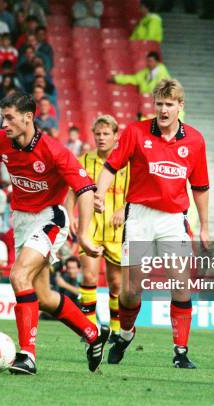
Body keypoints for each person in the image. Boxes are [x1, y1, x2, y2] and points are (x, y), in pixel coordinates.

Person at [0, 91, 108, 375]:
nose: (5, 123)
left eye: (10, 117)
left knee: (18, 276)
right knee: (44, 296)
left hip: (51, 217)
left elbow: (85, 190)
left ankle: (28, 356)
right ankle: (93, 333)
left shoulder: (54, 150)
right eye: (3, 117)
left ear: (28, 117)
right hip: (22, 220)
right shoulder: (1, 140)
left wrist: (83, 234)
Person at [93, 79, 209, 368]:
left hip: (173, 219)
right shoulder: (136, 132)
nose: (163, 109)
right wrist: (99, 193)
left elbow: (201, 186)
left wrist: (205, 225)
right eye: (159, 104)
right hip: (140, 216)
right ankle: (126, 333)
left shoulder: (195, 140)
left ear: (180, 106)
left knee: (181, 285)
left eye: (170, 104)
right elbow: (111, 166)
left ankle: (180, 352)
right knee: (131, 290)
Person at [66, 115, 126, 340]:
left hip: (117, 231)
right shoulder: (83, 160)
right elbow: (73, 189)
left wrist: (123, 210)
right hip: (90, 228)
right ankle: (89, 329)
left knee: (116, 284)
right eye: (98, 134)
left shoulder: (127, 162)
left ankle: (115, 328)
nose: (101, 138)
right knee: (90, 277)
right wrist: (69, 213)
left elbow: (139, 193)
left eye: (106, 134)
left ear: (115, 136)